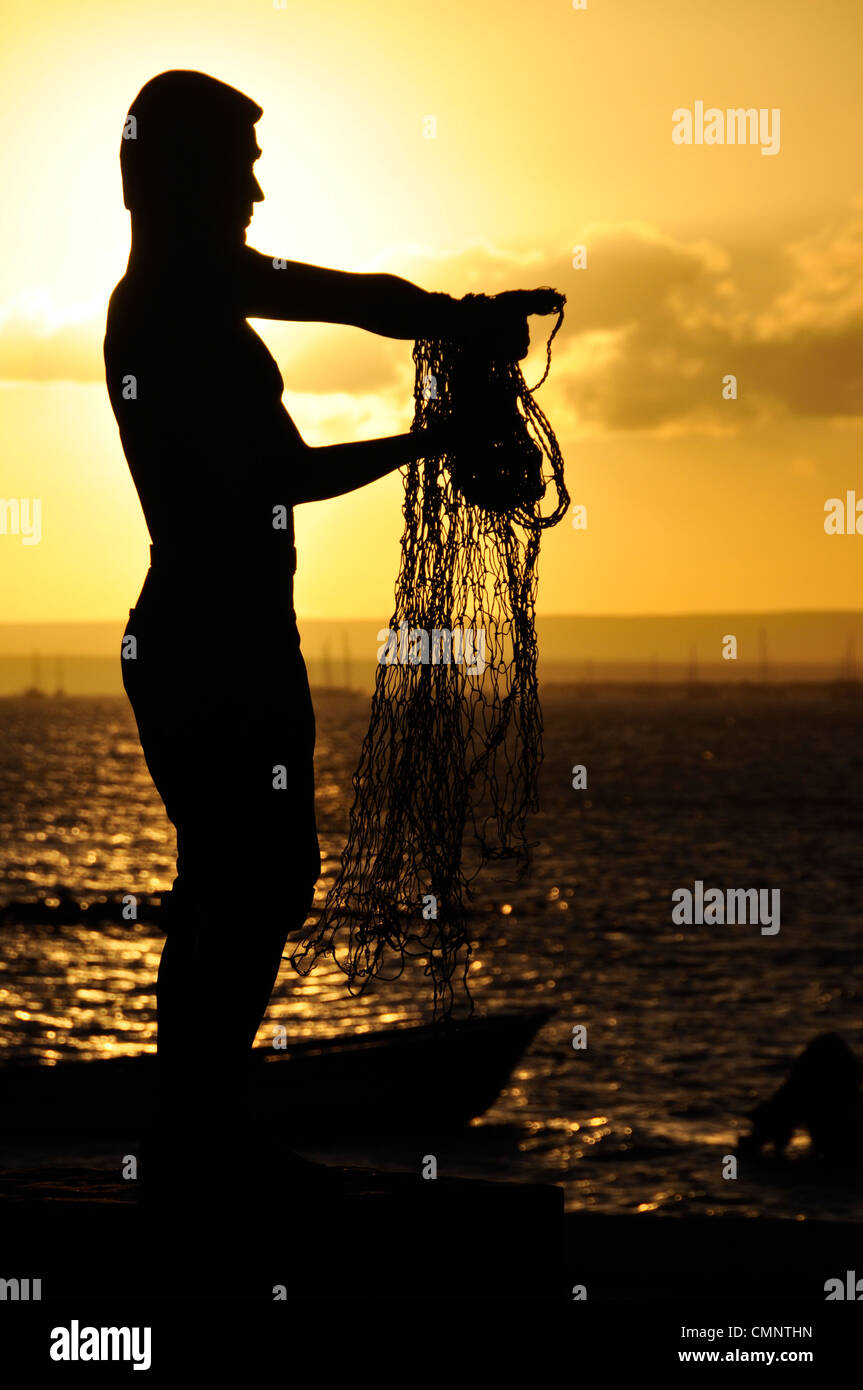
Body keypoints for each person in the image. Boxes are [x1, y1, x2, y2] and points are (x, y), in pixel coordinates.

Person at [103, 69, 558, 1194]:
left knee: (241, 876)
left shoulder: (196, 282)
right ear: (191, 173)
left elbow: (352, 295)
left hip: (223, 632)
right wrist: (427, 442)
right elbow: (276, 474)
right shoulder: (170, 299)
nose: (260, 184)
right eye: (242, 162)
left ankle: (193, 1130)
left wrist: (456, 319)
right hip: (212, 637)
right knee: (249, 876)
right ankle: (196, 1136)